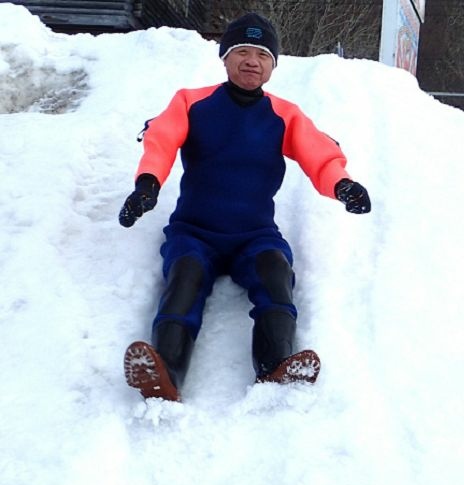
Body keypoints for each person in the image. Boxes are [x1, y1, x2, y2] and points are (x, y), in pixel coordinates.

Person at [120, 12, 371, 402]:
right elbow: (162, 140)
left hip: (254, 235)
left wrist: (343, 185)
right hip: (194, 232)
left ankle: (276, 366)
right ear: (225, 58)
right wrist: (147, 184)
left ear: (273, 65)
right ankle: (166, 371)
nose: (252, 60)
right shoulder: (192, 102)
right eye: (241, 51)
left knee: (275, 274)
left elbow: (318, 153)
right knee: (184, 278)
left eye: (262, 54)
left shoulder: (284, 115)